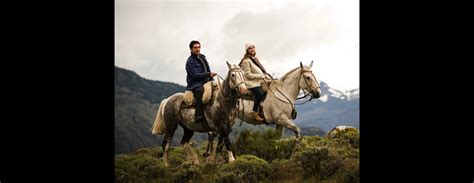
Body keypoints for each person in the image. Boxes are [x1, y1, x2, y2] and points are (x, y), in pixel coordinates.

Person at [185, 40, 217, 123]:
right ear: (191, 49)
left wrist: (211, 78)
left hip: (206, 80)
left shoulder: (202, 56)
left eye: (199, 47)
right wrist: (208, 74)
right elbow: (195, 75)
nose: (197, 49)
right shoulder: (190, 62)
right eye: (195, 47)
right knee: (200, 90)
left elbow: (207, 68)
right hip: (195, 83)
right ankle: (198, 115)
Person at [239, 43, 271, 121]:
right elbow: (248, 75)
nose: (252, 49)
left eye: (253, 47)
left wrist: (270, 79)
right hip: (251, 83)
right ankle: (254, 112)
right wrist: (261, 76)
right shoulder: (246, 61)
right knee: (260, 94)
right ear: (247, 50)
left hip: (259, 81)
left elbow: (262, 72)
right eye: (250, 48)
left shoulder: (255, 59)